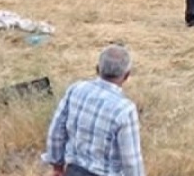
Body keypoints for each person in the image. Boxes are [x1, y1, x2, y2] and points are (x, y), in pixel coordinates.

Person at [42, 44, 145, 176]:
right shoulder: (125, 109)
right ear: (126, 76)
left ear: (97, 69)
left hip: (74, 171)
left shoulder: (76, 89)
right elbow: (131, 161)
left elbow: (57, 131)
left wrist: (57, 166)